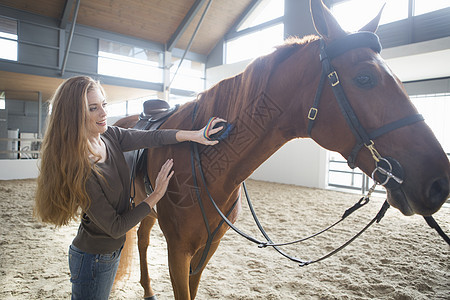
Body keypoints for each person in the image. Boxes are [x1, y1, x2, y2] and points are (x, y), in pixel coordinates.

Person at [33, 76, 225, 300]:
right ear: (74, 114)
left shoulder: (109, 136)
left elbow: (152, 137)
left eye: (103, 105)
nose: (103, 113)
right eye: (93, 108)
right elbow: (116, 226)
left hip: (109, 253)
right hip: (93, 258)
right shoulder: (80, 167)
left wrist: (195, 135)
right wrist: (155, 196)